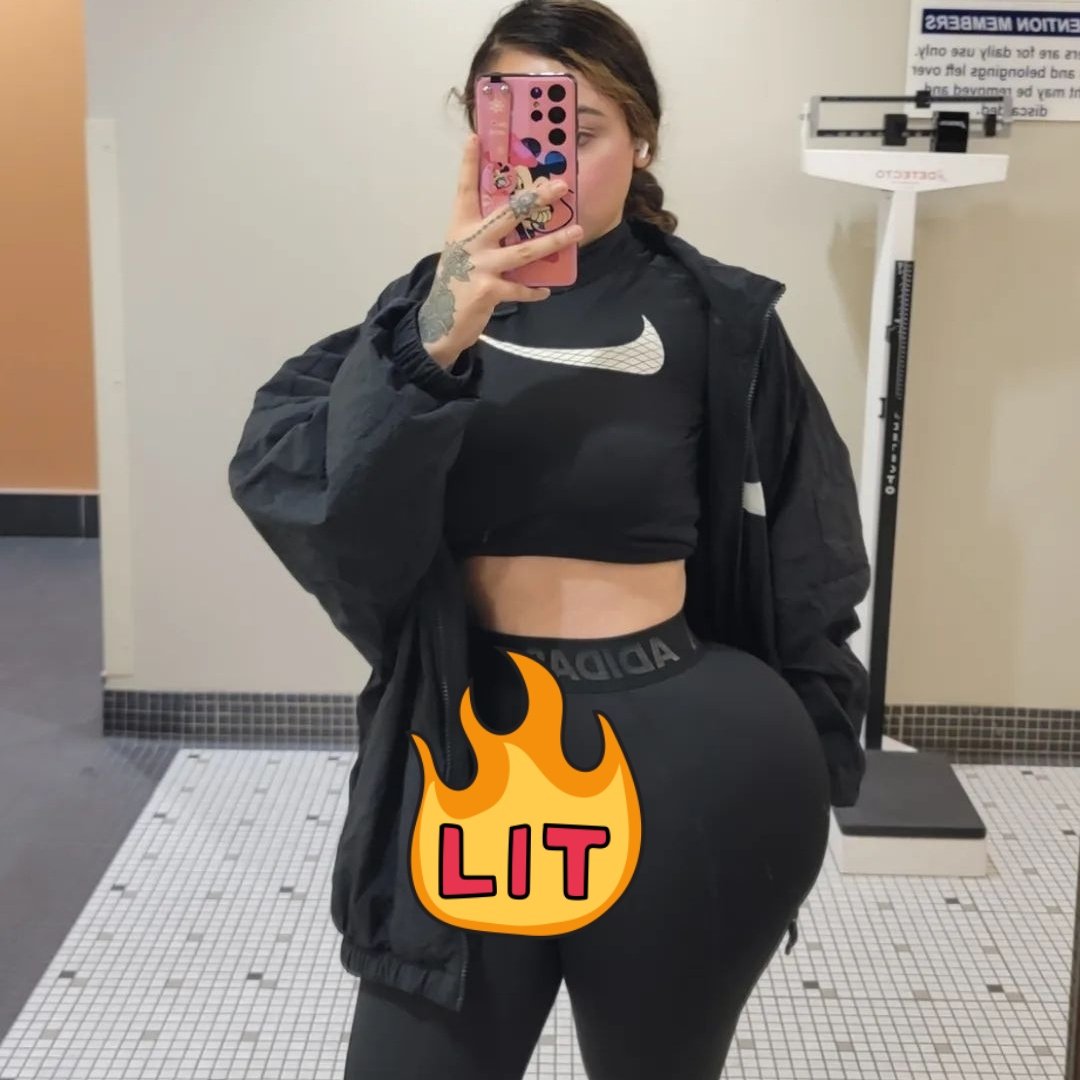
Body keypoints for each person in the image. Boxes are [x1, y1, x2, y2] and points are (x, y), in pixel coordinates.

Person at [227, 1, 871, 1076]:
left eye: (581, 131)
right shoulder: (427, 311)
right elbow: (325, 503)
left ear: (642, 140)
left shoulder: (718, 317)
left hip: (690, 754)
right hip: (468, 742)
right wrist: (436, 336)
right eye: (516, 125)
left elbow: (811, 549)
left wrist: (818, 745)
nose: (541, 163)